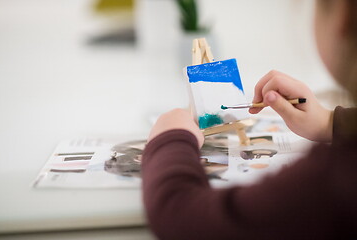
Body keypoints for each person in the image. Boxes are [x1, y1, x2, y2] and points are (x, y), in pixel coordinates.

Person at [141, 0, 357, 239]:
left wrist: (169, 140)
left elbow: (182, 216)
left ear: (342, 14)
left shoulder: (331, 180)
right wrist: (331, 122)